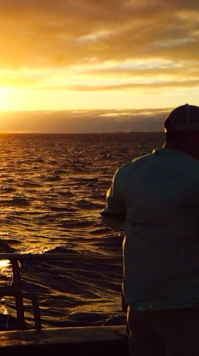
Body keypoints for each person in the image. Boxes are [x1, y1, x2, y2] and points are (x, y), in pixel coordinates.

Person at [101, 104, 199, 356]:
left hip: (139, 300)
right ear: (192, 136)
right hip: (187, 303)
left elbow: (114, 217)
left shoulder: (127, 172)